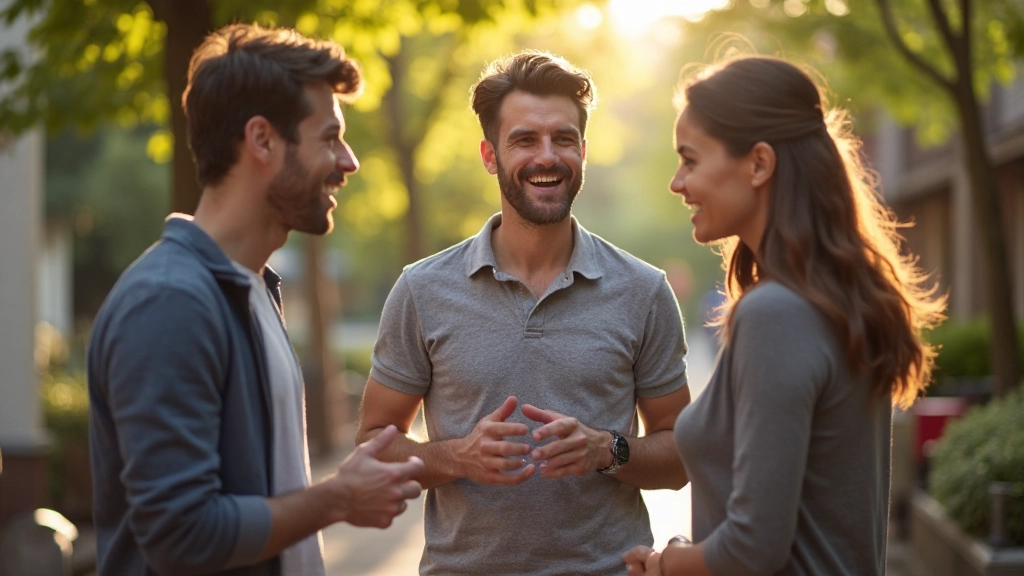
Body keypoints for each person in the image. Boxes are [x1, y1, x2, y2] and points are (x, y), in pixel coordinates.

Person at [87, 24, 424, 576]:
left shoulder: (251, 288)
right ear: (262, 139)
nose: (349, 161)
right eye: (329, 136)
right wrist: (338, 497)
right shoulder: (171, 303)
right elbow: (182, 536)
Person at [356, 50, 691, 575]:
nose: (547, 157)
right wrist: (457, 457)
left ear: (583, 150)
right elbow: (374, 447)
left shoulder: (644, 290)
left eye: (562, 139)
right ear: (490, 155)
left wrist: (609, 450)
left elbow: (680, 457)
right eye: (524, 140)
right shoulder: (421, 289)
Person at [623, 56, 946, 576]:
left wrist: (666, 563)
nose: (676, 183)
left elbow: (753, 548)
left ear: (758, 164)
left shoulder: (776, 314)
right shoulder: (833, 299)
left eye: (690, 159)